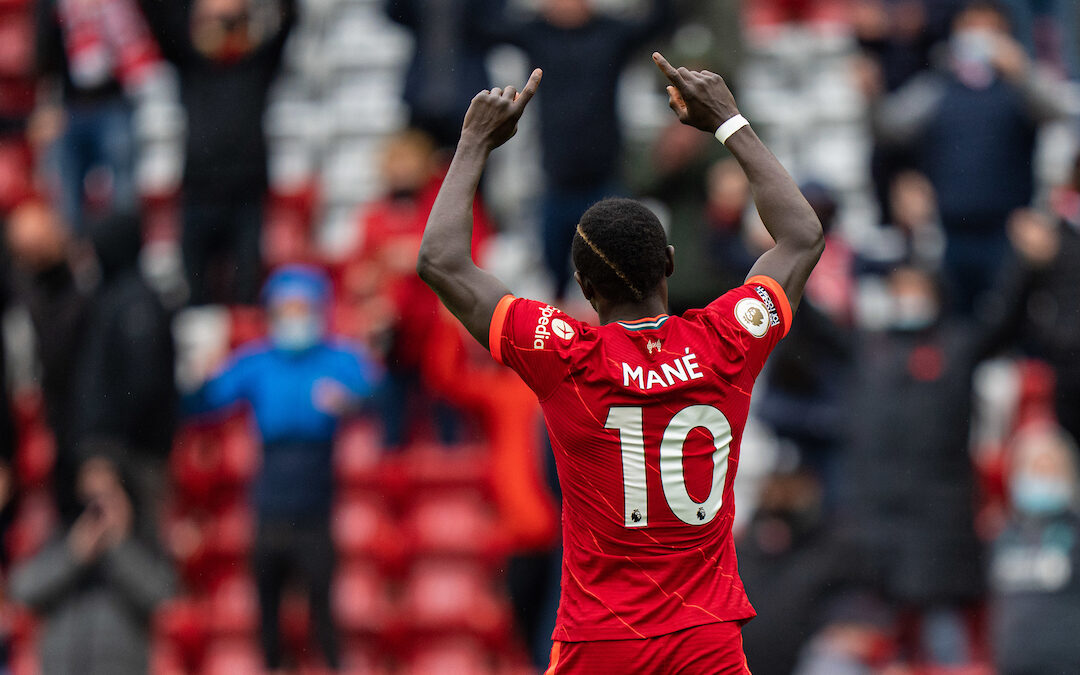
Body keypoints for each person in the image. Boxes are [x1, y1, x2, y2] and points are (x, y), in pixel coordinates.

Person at [416, 53, 825, 672]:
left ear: (583, 285)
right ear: (668, 263)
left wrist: (474, 141)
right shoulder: (725, 343)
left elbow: (441, 261)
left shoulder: (564, 356)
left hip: (600, 641)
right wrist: (729, 122)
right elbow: (800, 236)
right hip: (704, 638)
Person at [183, 265, 380, 672]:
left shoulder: (340, 357)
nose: (294, 317)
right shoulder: (256, 362)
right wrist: (197, 377)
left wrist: (354, 402)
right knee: (268, 616)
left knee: (323, 612)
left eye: (302, 308)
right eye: (285, 309)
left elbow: (377, 393)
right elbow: (205, 404)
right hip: (269, 509)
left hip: (315, 509)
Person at [872, 0, 1068, 312]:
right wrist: (873, 91)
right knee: (955, 325)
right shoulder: (939, 84)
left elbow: (1060, 112)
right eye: (970, 27)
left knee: (1007, 317)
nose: (978, 38)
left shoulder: (1017, 87)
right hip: (949, 232)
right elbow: (892, 128)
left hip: (1008, 232)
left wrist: (1022, 71)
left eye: (989, 29)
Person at [481, 0, 673, 298]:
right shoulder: (537, 32)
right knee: (555, 280)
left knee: (619, 276)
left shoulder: (610, 32)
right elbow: (485, 23)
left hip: (605, 178)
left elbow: (660, 19)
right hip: (556, 180)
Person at [139, 0, 297, 305]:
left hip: (246, 195)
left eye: (232, 23)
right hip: (199, 193)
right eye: (217, 24)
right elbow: (158, 17)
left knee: (247, 294)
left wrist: (241, 10)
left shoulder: (256, 64)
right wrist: (203, 8)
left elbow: (289, 18)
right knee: (195, 297)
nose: (224, 31)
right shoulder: (191, 65)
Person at [8, 450, 176, 675]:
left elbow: (163, 595)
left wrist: (118, 545)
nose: (97, 507)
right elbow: (22, 590)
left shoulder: (140, 541)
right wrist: (73, 554)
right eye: (90, 497)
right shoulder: (60, 537)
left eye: (107, 495)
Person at [990, 423, 1080, 675]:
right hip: (1013, 665)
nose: (1040, 477)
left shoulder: (1075, 531)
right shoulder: (1003, 534)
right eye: (1033, 469)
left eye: (1049, 469)